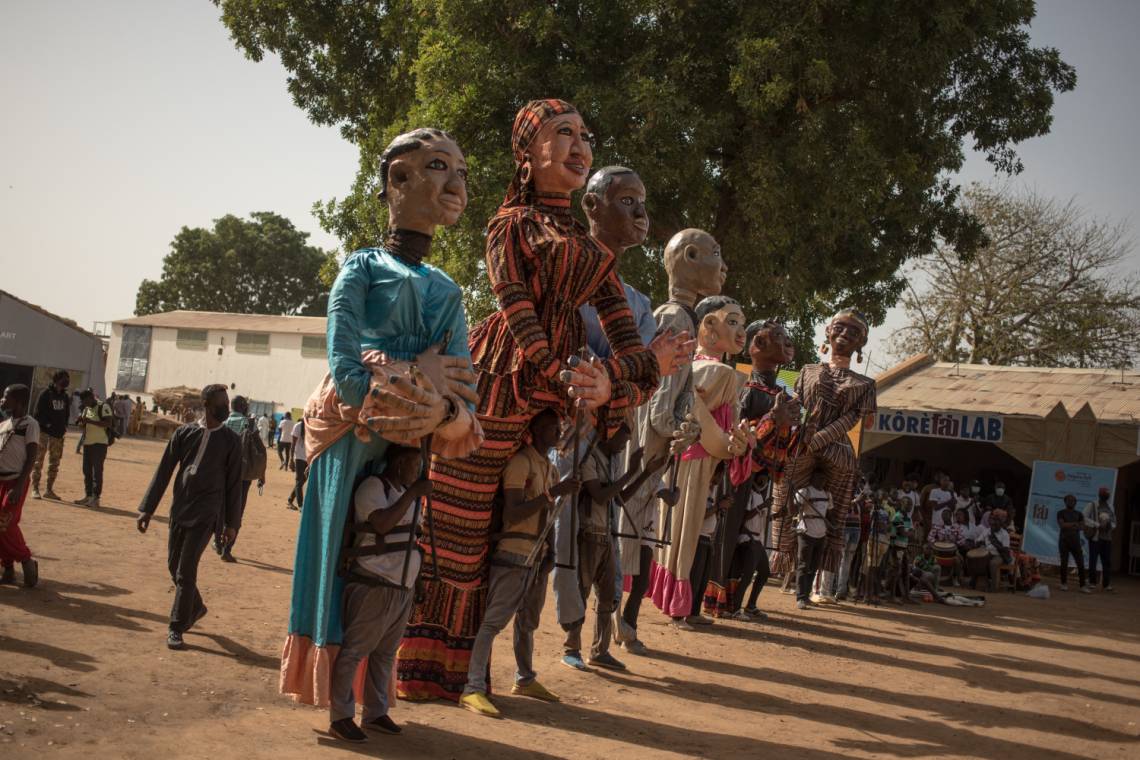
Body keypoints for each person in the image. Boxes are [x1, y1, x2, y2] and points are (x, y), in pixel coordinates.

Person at [399, 100, 680, 702]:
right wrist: (572, 376)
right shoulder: (510, 225)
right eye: (563, 135)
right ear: (526, 152)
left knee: (517, 548)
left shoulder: (587, 248)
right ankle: (433, 672)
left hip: (548, 414)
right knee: (459, 537)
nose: (580, 146)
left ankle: (489, 673)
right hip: (493, 391)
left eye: (585, 135)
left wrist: (612, 380)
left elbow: (633, 352)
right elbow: (517, 315)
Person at [282, 127, 483, 707]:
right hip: (350, 437)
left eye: (461, 171)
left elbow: (463, 392)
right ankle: (335, 694)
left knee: (391, 567)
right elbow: (346, 371)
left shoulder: (447, 289)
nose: (457, 182)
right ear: (398, 179)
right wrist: (422, 379)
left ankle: (374, 697)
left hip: (405, 446)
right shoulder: (360, 270)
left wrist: (433, 403)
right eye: (440, 166)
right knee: (344, 559)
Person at [615, 227, 721, 653]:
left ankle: (624, 623)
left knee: (641, 542)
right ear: (691, 257)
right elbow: (660, 405)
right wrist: (683, 429)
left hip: (654, 454)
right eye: (714, 254)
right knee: (631, 540)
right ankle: (617, 624)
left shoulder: (681, 318)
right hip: (646, 453)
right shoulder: (675, 319)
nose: (723, 266)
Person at [459, 409, 579, 718]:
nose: (558, 432)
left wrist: (551, 550)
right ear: (537, 430)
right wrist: (553, 494)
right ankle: (472, 687)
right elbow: (513, 513)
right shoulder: (520, 464)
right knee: (494, 623)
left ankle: (525, 678)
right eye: (553, 427)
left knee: (527, 624)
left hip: (537, 558)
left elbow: (548, 517)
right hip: (513, 552)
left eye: (560, 427)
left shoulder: (550, 469)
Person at [649, 296, 749, 626]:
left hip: (691, 460)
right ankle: (680, 606)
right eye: (732, 322)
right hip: (694, 460)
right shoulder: (718, 373)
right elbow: (711, 427)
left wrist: (735, 443)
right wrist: (729, 446)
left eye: (741, 323)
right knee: (685, 532)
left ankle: (672, 599)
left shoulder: (714, 372)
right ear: (707, 327)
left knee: (681, 532)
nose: (740, 331)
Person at [327, 445, 431, 742]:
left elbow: (414, 538)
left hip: (401, 587)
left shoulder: (406, 493)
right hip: (374, 581)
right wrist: (414, 494)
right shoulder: (375, 487)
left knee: (385, 654)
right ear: (398, 463)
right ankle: (341, 716)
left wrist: (417, 583)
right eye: (415, 464)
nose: (418, 471)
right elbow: (381, 524)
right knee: (355, 650)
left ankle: (374, 711)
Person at [703, 318, 797, 619]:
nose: (786, 344)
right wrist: (774, 418)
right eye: (778, 338)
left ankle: (736, 603)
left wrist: (796, 428)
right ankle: (716, 601)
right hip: (738, 477)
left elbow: (786, 449)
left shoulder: (781, 395)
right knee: (727, 538)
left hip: (762, 484)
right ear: (758, 346)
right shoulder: (747, 390)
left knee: (751, 548)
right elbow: (738, 435)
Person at [136, 385, 242, 650]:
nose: (226, 407)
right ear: (207, 404)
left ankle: (176, 626)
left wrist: (232, 524)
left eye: (227, 402)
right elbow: (164, 471)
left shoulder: (231, 441)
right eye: (221, 403)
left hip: (208, 514)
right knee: (173, 567)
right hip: (180, 509)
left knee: (185, 571)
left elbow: (233, 486)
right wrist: (147, 508)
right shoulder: (184, 433)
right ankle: (195, 607)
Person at [216, 396, 266, 562]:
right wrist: (261, 474)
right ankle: (227, 549)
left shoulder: (222, 423)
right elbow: (259, 450)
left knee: (222, 508)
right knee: (237, 512)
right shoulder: (249, 423)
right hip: (243, 475)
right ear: (244, 407)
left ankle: (218, 541)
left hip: (223, 473)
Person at [0, 385, 40, 588]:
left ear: (19, 402)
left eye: (6, 398)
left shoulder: (30, 424)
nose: (2, 400)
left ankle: (26, 559)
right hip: (1, 480)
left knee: (4, 523)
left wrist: (20, 484)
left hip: (16, 481)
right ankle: (7, 568)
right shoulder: (4, 424)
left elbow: (32, 456)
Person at [735, 474, 772, 619]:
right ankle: (736, 609)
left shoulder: (760, 496)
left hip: (757, 540)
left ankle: (751, 606)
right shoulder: (749, 495)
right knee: (747, 576)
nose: (764, 481)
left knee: (764, 572)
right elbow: (744, 517)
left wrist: (777, 515)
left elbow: (760, 519)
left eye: (766, 479)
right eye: (762, 478)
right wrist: (762, 506)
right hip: (747, 538)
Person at [793, 469, 832, 610]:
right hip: (806, 532)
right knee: (803, 565)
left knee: (814, 567)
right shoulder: (804, 492)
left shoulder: (828, 494)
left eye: (824, 478)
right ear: (813, 478)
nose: (822, 480)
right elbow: (796, 507)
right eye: (819, 477)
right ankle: (800, 598)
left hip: (821, 534)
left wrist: (832, 527)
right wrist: (802, 504)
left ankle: (806, 596)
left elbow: (829, 512)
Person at [31, 370, 70, 500]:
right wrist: (46, 424)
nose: (66, 381)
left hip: (58, 435)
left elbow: (66, 414)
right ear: (57, 380)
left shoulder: (65, 396)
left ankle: (49, 490)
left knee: (55, 462)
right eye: (64, 378)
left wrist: (64, 426)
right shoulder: (45, 394)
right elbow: (37, 413)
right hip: (44, 433)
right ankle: (35, 488)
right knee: (38, 461)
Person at [74, 388, 113, 507]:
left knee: (97, 471)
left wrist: (90, 421)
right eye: (83, 402)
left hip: (100, 444)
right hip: (88, 443)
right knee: (87, 471)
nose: (84, 404)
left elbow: (108, 423)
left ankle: (96, 498)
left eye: (85, 401)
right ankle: (88, 495)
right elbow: (84, 427)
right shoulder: (87, 409)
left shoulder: (103, 406)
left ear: (91, 398)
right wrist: (82, 422)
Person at [971, 508, 1015, 593]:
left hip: (999, 555)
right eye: (993, 522)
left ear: (1001, 524)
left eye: (997, 522)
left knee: (993, 564)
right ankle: (976, 582)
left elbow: (1005, 550)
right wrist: (980, 543)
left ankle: (994, 588)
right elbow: (977, 542)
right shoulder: (987, 531)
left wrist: (995, 542)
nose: (994, 524)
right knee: (976, 560)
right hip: (987, 553)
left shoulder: (1004, 534)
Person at [1055, 495, 1089, 592]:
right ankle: (1063, 584)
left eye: (1073, 500)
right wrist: (1075, 524)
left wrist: (1069, 525)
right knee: (1064, 563)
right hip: (1064, 541)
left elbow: (1082, 527)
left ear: (1075, 502)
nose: (1071, 502)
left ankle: (1082, 586)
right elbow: (1062, 525)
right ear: (1065, 502)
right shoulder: (1060, 513)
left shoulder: (1079, 514)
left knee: (1081, 564)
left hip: (1076, 542)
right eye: (1069, 500)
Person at [1085, 487, 1116, 591]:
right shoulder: (1092, 505)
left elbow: (1114, 522)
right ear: (1099, 494)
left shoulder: (1110, 507)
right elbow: (1084, 517)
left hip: (1107, 538)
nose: (1105, 496)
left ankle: (1106, 584)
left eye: (1107, 494)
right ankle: (1092, 582)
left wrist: (1110, 526)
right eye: (1104, 494)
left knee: (1107, 561)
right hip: (1095, 538)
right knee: (1093, 560)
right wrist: (1097, 525)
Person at [888, 497, 915, 604]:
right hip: (896, 547)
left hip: (903, 546)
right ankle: (891, 596)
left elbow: (909, 533)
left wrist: (908, 533)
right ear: (902, 504)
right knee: (896, 571)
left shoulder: (907, 517)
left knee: (905, 571)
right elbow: (903, 533)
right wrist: (909, 533)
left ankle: (906, 596)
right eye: (908, 504)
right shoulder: (898, 516)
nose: (910, 507)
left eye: (911, 505)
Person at [288, 418, 308, 511]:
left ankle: (290, 499)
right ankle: (301, 505)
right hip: (299, 458)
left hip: (309, 459)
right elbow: (293, 444)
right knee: (299, 482)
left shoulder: (312, 425)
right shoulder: (298, 426)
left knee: (301, 481)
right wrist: (291, 459)